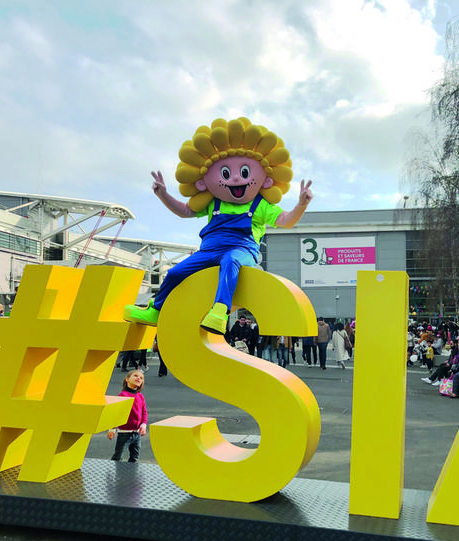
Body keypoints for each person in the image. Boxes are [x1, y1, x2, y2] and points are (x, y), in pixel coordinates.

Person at [124, 117, 313, 334]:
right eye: (225, 173)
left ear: (266, 178)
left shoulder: (260, 206)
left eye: (243, 173)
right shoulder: (213, 202)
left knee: (230, 261)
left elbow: (286, 221)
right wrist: (163, 195)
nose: (234, 179)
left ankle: (219, 311)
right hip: (208, 252)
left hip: (242, 251)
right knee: (176, 272)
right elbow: (185, 211)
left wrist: (301, 204)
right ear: (204, 179)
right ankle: (156, 310)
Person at [107, 370, 148, 463]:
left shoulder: (140, 396)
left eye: (141, 378)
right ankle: (114, 474)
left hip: (136, 434)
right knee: (118, 456)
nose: (139, 378)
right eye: (136, 376)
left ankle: (131, 474)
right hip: (124, 434)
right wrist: (112, 428)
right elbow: (116, 413)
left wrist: (143, 424)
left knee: (135, 457)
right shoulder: (123, 395)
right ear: (127, 379)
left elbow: (144, 412)